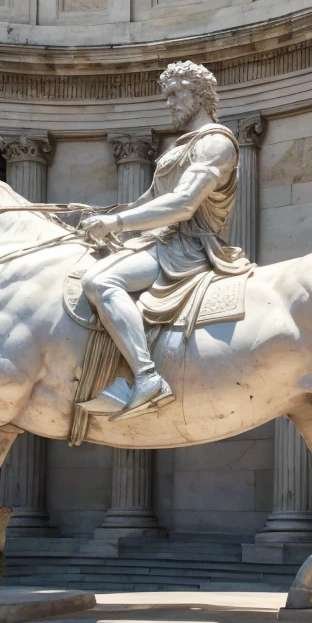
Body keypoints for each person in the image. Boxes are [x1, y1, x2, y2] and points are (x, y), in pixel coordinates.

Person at [78, 60, 250, 421]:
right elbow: (148, 202)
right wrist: (94, 216)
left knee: (100, 280)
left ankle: (146, 377)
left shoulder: (216, 143)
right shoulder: (181, 147)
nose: (169, 103)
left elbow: (183, 204)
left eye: (175, 94)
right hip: (160, 242)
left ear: (200, 95)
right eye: (166, 96)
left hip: (187, 247)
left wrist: (116, 222)